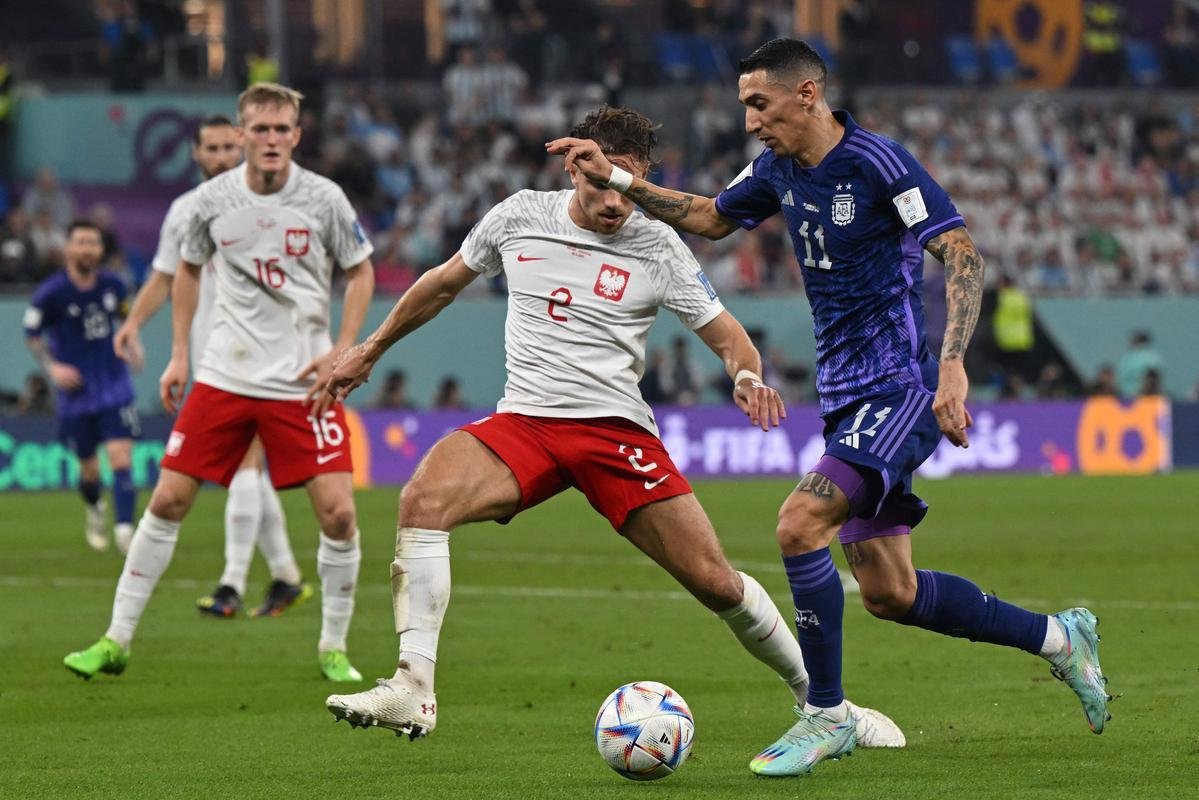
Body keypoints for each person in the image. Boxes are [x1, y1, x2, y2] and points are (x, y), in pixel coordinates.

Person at [547, 39, 1110, 777]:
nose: (749, 120)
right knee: (889, 591)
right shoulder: (778, 170)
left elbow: (961, 253)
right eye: (745, 105)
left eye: (759, 103)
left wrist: (950, 366)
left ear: (805, 95)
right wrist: (616, 175)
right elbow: (712, 217)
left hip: (901, 387)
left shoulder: (879, 163)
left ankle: (825, 714)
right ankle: (1058, 638)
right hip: (845, 400)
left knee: (797, 523)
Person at [317, 106, 904, 750]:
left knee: (716, 581)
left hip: (615, 433)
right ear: (575, 167)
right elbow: (440, 285)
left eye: (628, 182)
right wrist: (370, 349)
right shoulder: (519, 216)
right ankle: (413, 685)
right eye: (602, 181)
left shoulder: (657, 244)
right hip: (527, 423)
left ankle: (824, 705)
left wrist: (743, 376)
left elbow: (729, 335)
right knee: (422, 500)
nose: (615, 200)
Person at [64, 82, 377, 683]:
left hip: (301, 382)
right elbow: (183, 272)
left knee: (338, 515)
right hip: (226, 375)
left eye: (282, 129)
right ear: (242, 136)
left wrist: (345, 347)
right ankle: (115, 638)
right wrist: (179, 353)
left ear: (297, 136)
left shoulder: (324, 199)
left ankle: (332, 647)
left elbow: (360, 272)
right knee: (169, 500)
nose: (271, 139)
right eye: (259, 129)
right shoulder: (208, 203)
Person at [112, 114, 311, 618]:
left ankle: (232, 584)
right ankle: (285, 573)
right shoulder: (185, 211)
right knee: (247, 467)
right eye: (213, 148)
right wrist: (134, 323)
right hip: (211, 353)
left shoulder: (274, 203)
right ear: (196, 154)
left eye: (229, 146)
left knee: (245, 462)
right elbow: (162, 277)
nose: (222, 155)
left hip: (266, 355)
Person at [23, 220, 139, 552]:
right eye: (81, 242)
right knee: (89, 469)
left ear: (101, 250)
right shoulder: (51, 293)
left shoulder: (114, 285)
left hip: (115, 385)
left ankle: (125, 532)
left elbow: (127, 318)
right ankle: (95, 507)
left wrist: (134, 343)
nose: (88, 248)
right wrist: (53, 367)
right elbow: (31, 335)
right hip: (76, 395)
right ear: (69, 248)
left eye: (94, 243)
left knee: (120, 458)